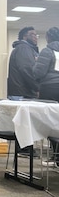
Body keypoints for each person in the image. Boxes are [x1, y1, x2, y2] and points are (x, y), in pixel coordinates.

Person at [33, 26, 59, 165]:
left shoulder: (47, 51)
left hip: (49, 89)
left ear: (48, 37)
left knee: (50, 121)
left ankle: (56, 155)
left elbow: (38, 72)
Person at [7, 26, 39, 99]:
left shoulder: (25, 48)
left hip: (20, 93)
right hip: (22, 94)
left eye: (36, 35)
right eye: (33, 34)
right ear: (25, 36)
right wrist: (37, 88)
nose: (36, 37)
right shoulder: (23, 48)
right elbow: (27, 69)